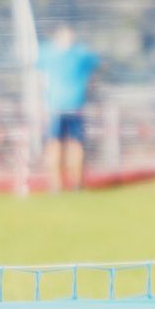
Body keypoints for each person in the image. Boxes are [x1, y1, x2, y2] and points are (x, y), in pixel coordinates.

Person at [37, 26, 99, 192]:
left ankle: (64, 185)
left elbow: (40, 75)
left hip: (62, 107)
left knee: (65, 145)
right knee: (66, 145)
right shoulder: (80, 54)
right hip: (65, 107)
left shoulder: (52, 53)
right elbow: (94, 71)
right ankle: (68, 185)